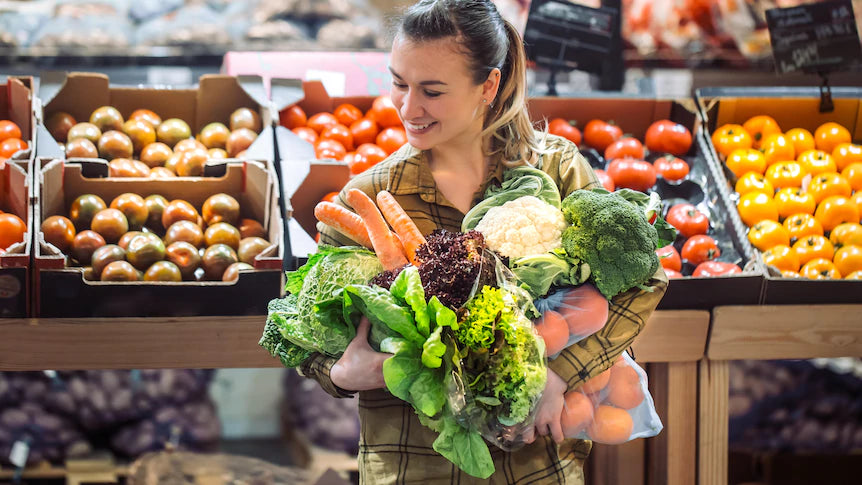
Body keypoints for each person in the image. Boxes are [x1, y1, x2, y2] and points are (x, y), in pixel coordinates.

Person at [300, 1, 668, 483]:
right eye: (398, 83)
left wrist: (561, 374)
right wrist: (343, 372)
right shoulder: (366, 198)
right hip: (414, 461)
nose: (409, 108)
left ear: (488, 85)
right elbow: (305, 334)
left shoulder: (554, 169)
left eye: (431, 91)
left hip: (535, 463)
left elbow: (643, 280)